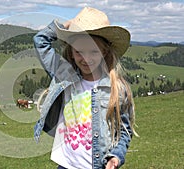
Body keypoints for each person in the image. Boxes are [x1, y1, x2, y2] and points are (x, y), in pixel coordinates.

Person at [33, 7, 137, 169]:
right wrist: (66, 26)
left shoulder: (117, 88)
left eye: (93, 52)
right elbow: (40, 41)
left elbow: (124, 131)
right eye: (79, 51)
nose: (86, 59)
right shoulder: (64, 74)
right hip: (65, 165)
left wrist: (116, 156)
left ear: (104, 52)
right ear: (71, 52)